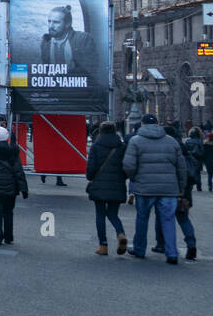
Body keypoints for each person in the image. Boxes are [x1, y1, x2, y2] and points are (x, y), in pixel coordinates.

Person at [122, 113, 187, 264]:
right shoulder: (171, 141)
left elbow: (128, 165)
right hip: (169, 188)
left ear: (142, 124)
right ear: (158, 124)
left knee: (142, 218)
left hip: (144, 187)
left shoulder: (135, 141)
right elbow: (181, 167)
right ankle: (171, 253)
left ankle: (139, 249)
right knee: (168, 220)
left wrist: (134, 178)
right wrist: (181, 187)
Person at [85, 120, 129, 255]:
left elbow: (91, 169)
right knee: (113, 214)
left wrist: (90, 177)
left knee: (100, 214)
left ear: (101, 131)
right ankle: (120, 233)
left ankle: (103, 245)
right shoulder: (122, 146)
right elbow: (126, 166)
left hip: (99, 184)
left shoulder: (96, 146)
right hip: (117, 184)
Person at [39, 4, 98, 70]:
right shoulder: (46, 42)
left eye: (56, 22)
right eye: (49, 21)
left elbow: (90, 69)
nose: (51, 26)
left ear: (67, 24)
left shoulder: (83, 39)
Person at [182, 128, 205, 192]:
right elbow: (202, 150)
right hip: (198, 158)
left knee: (190, 173)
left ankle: (190, 186)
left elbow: (185, 150)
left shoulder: (187, 141)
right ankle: (199, 187)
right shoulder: (200, 141)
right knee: (198, 173)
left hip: (190, 158)